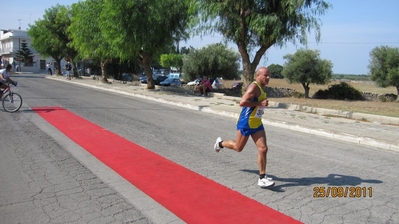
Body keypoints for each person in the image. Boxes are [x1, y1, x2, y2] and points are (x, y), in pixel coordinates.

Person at [213, 67, 275, 188]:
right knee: (238, 147)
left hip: (257, 123)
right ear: (258, 76)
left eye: (269, 76)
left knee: (263, 148)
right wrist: (260, 103)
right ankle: (220, 144)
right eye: (265, 75)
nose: (268, 78)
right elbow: (242, 102)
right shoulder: (254, 87)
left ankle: (262, 178)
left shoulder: (262, 87)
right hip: (246, 123)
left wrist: (261, 105)